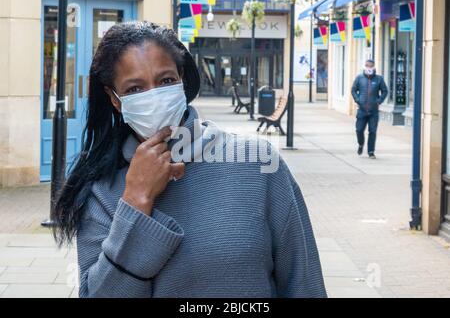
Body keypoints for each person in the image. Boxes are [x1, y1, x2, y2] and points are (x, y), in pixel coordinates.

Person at [52, 21, 326, 298]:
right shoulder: (101, 191)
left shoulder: (259, 165)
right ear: (114, 99)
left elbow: (304, 283)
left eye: (166, 81)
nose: (155, 97)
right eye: (135, 89)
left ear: (182, 79)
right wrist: (136, 202)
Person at [351, 59, 388, 159]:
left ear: (374, 67)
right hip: (362, 110)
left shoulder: (379, 79)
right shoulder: (359, 78)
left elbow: (385, 91)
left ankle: (371, 151)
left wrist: (379, 101)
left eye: (371, 66)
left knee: (372, 131)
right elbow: (353, 90)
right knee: (359, 130)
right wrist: (357, 100)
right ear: (365, 67)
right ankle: (360, 144)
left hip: (373, 111)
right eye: (367, 66)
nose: (369, 68)